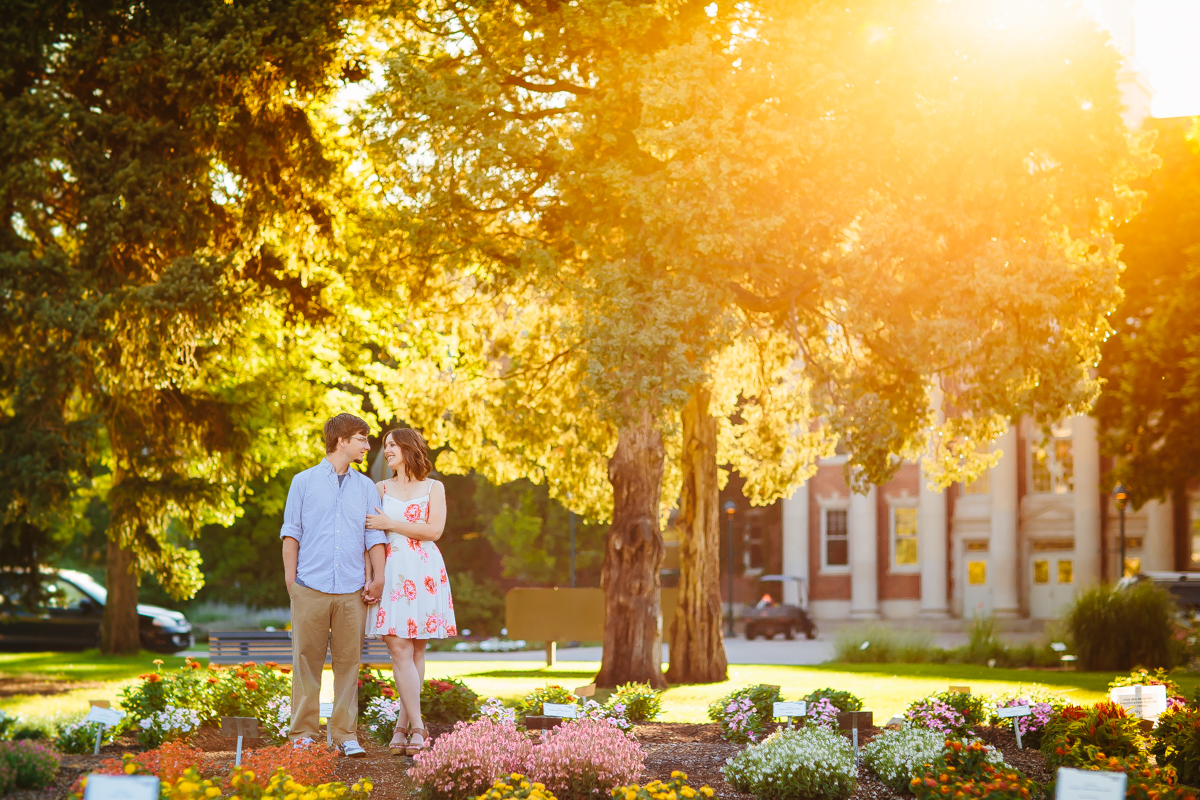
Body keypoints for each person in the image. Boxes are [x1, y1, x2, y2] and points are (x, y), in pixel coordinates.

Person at [280, 413, 386, 758]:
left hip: (352, 588)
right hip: (309, 585)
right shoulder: (303, 482)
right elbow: (291, 532)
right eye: (362, 439)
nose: (367, 446)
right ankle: (303, 734)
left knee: (348, 661)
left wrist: (377, 577)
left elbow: (373, 535)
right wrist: (291, 580)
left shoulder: (366, 487)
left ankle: (344, 734)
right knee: (306, 660)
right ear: (342, 441)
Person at [364, 427, 456, 756]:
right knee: (399, 650)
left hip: (424, 570)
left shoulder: (434, 487)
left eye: (392, 445)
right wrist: (370, 576)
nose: (386, 450)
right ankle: (419, 727)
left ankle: (402, 728)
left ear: (408, 448)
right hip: (390, 571)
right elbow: (370, 538)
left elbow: (434, 530)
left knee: (417, 651)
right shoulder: (379, 488)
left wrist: (390, 523)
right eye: (385, 445)